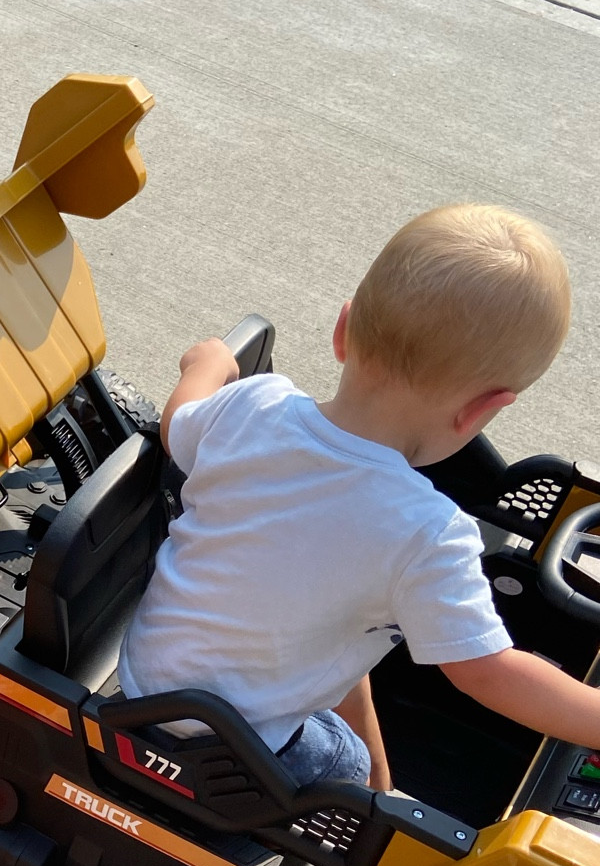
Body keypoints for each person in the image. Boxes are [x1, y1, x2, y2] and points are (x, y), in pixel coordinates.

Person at [118, 203, 580, 791]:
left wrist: (204, 366)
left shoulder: (254, 404)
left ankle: (375, 787)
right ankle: (373, 795)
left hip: (143, 684)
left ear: (342, 329)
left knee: (355, 631)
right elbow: (489, 672)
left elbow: (177, 424)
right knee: (346, 760)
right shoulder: (429, 533)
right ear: (481, 411)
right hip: (236, 749)